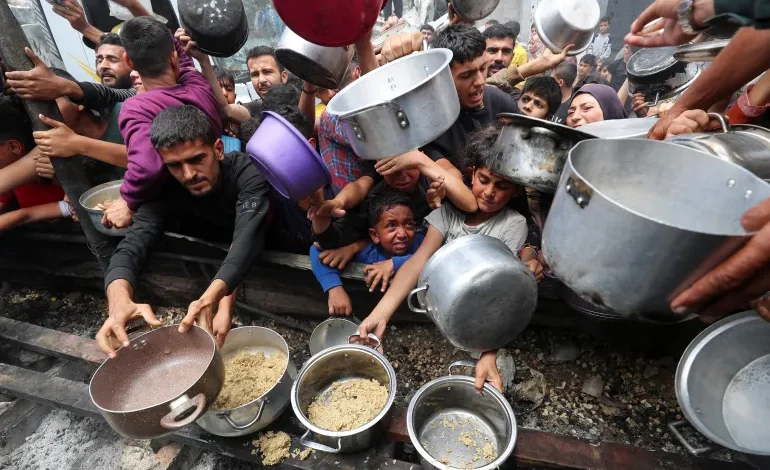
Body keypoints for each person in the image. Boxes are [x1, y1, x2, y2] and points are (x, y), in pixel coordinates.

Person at [356, 126, 544, 393]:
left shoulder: (512, 224)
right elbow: (417, 261)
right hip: (444, 310)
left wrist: (488, 352)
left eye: (502, 186)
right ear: (471, 176)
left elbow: (501, 291)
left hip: (484, 319)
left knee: (486, 379)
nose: (490, 192)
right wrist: (380, 314)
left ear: (515, 191)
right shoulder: (448, 214)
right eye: (484, 180)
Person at [95, 105, 270, 356]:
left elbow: (246, 237)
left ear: (218, 149)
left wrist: (214, 300)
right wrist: (118, 300)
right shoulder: (163, 191)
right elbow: (132, 247)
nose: (189, 174)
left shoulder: (247, 173)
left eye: (197, 159)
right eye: (175, 165)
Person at [102, 17, 222, 230]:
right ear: (173, 58)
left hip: (184, 217)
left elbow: (147, 167)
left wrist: (128, 199)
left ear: (129, 62)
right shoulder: (198, 87)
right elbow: (181, 58)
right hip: (222, 196)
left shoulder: (136, 108)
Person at [310, 187, 426, 315]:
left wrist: (394, 264)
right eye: (391, 225)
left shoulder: (421, 242)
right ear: (374, 235)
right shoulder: (368, 254)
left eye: (408, 223)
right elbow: (316, 250)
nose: (402, 233)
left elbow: (436, 254)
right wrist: (334, 288)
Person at [245, 46, 289, 113]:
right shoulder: (252, 111)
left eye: (267, 72)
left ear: (284, 77)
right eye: (255, 74)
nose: (261, 80)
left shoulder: (303, 106)